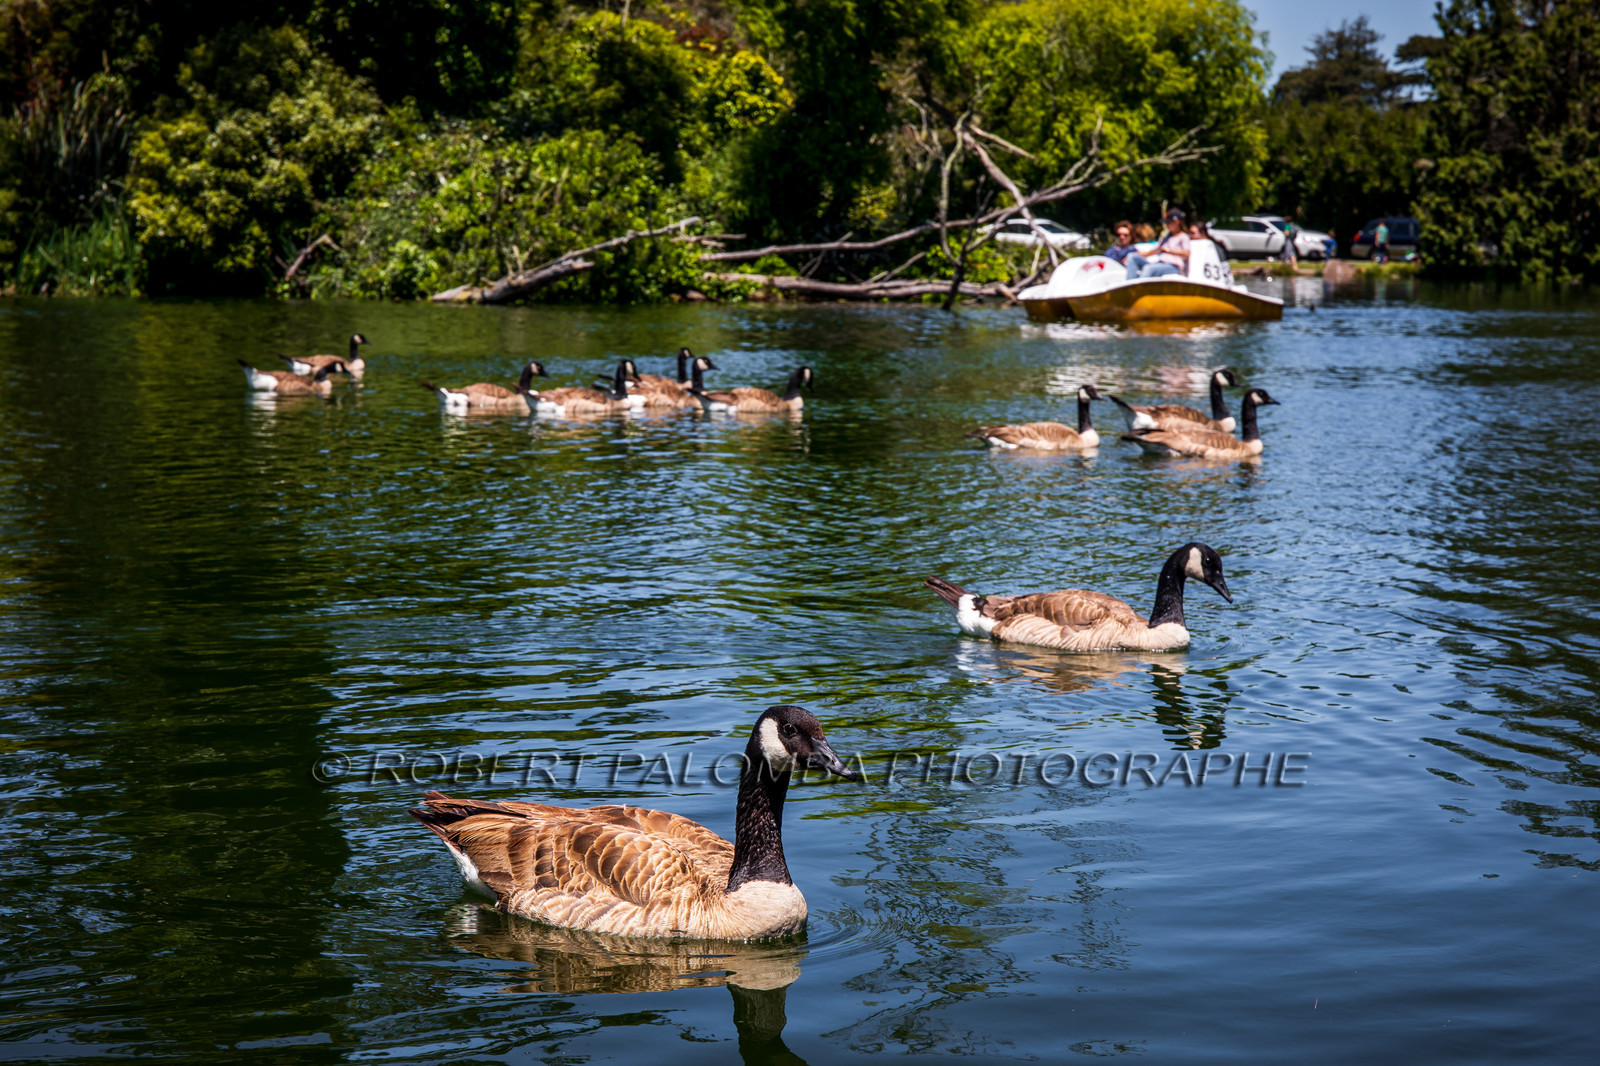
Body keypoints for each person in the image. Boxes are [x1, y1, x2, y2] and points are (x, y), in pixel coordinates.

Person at [1128, 208, 1189, 279]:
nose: (1167, 224)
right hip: (1159, 263)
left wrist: (1168, 251)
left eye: (1169, 222)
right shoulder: (1166, 237)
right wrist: (1141, 254)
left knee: (1148, 268)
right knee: (1132, 257)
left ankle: (1140, 285)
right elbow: (1157, 250)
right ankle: (1130, 283)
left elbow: (1187, 254)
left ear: (1177, 222)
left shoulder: (1183, 236)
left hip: (1173, 266)